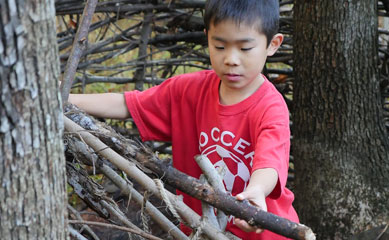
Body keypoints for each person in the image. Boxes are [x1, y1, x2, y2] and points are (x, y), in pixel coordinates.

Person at [69, 0, 299, 239]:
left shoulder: (270, 107)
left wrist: (256, 192)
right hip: (203, 230)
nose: (231, 59)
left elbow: (269, 163)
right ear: (207, 37)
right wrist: (64, 99)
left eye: (245, 48)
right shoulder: (188, 91)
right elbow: (128, 104)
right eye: (219, 46)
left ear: (273, 44)